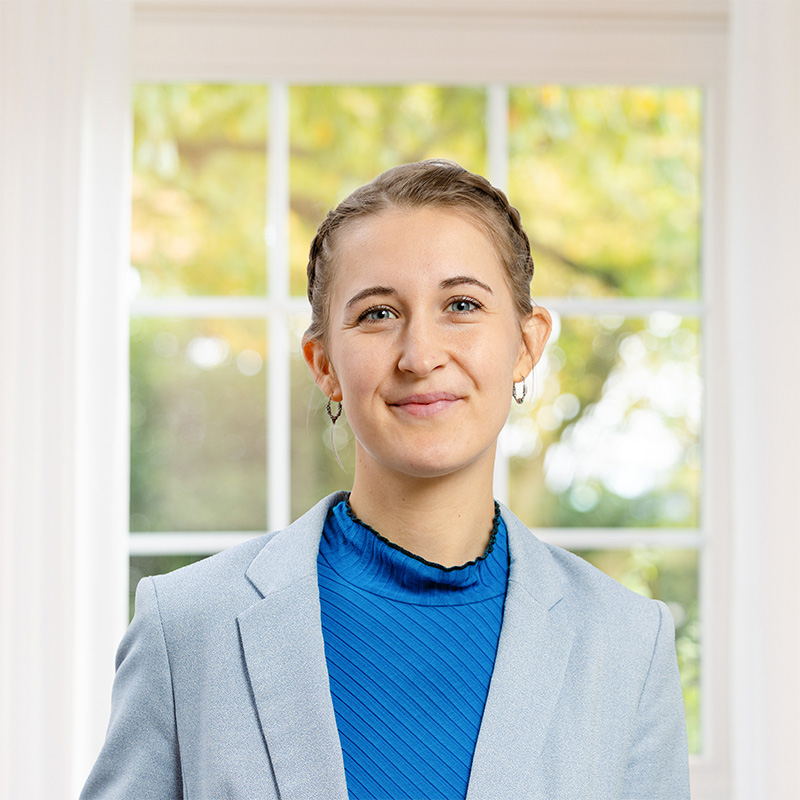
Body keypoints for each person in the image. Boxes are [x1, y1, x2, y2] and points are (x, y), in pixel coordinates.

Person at [81, 160, 690, 799]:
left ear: (525, 345)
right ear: (324, 364)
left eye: (462, 305)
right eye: (377, 314)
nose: (420, 356)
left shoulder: (627, 643)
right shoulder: (186, 627)